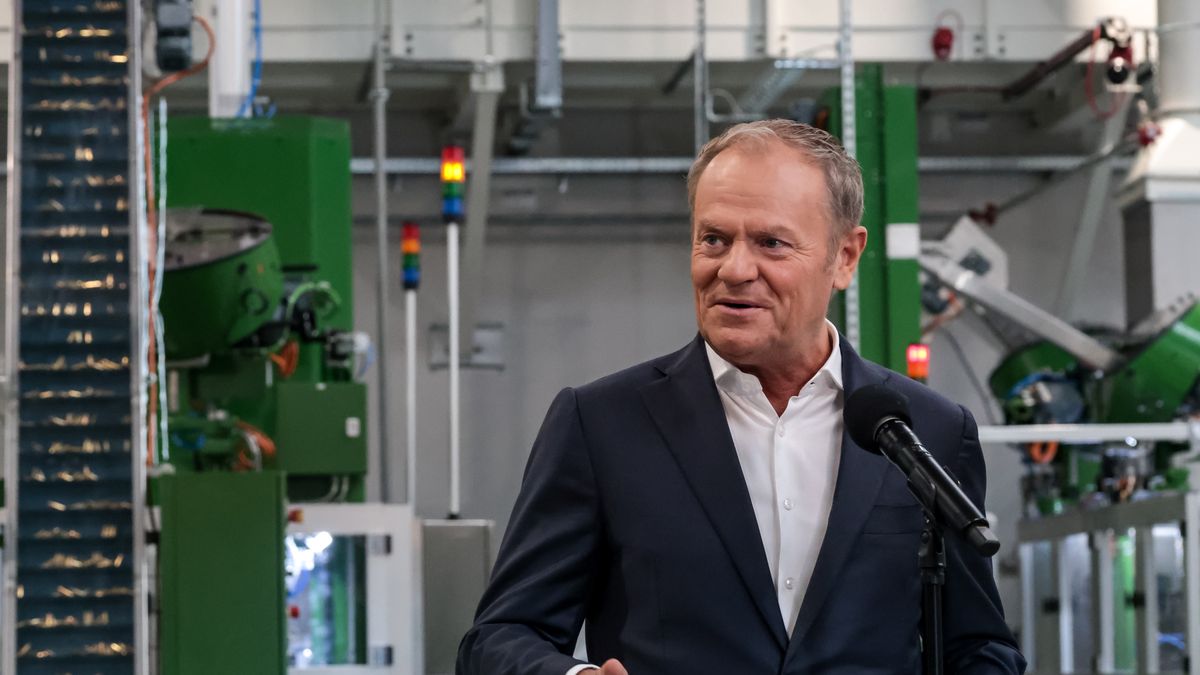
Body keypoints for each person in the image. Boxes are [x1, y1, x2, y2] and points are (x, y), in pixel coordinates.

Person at [457, 120, 1025, 675]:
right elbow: (501, 638)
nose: (734, 269)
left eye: (771, 243)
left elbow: (980, 647)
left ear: (845, 258)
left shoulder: (928, 430)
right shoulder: (602, 424)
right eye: (713, 239)